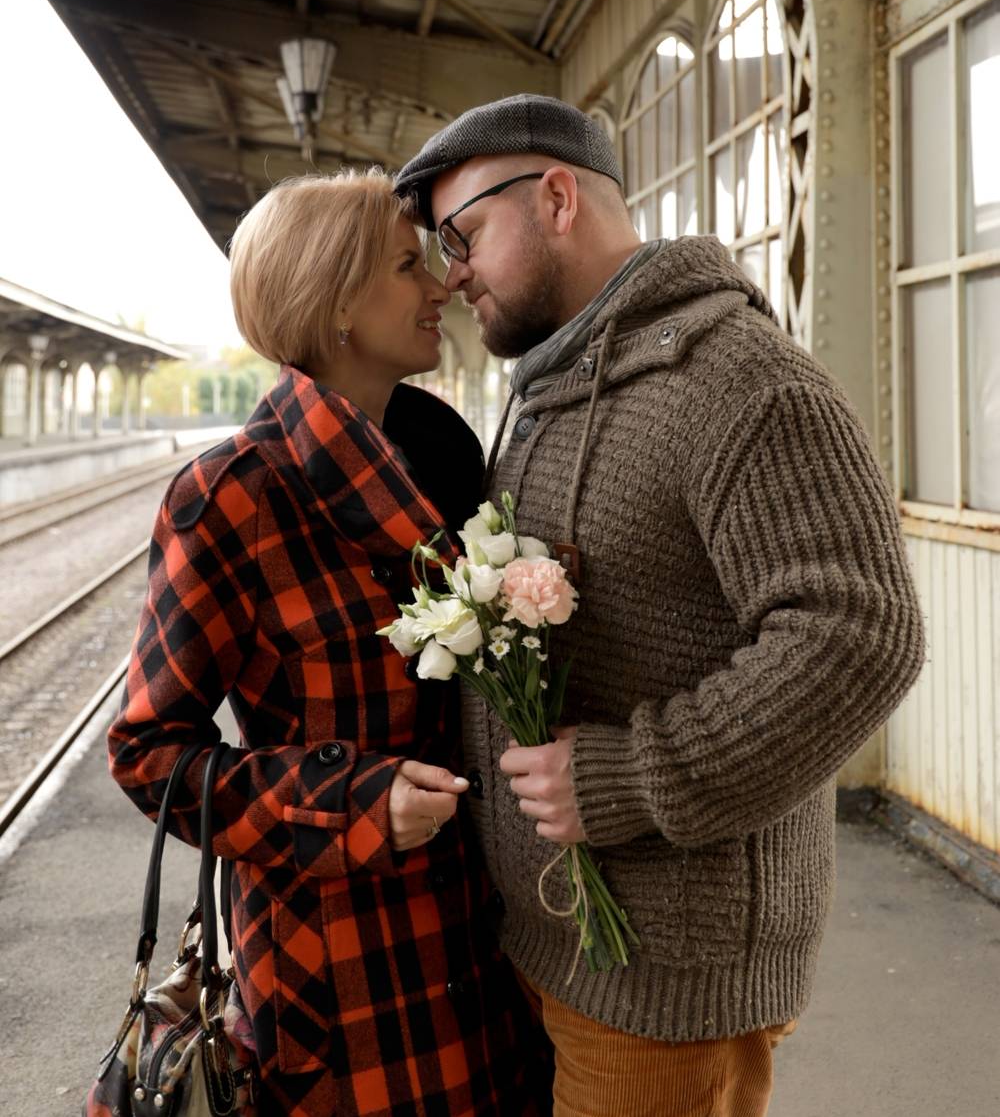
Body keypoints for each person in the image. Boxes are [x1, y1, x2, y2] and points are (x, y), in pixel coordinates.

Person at [393, 94, 926, 1117]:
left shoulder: (741, 381)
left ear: (555, 198)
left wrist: (633, 776)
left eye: (462, 234)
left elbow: (859, 633)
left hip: (666, 981)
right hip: (548, 945)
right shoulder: (553, 390)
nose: (451, 273)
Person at [108, 172, 551, 1117]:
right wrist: (349, 799)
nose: (441, 285)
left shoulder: (444, 463)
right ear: (335, 302)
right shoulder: (233, 495)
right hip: (337, 975)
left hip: (484, 949)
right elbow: (148, 754)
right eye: (405, 265)